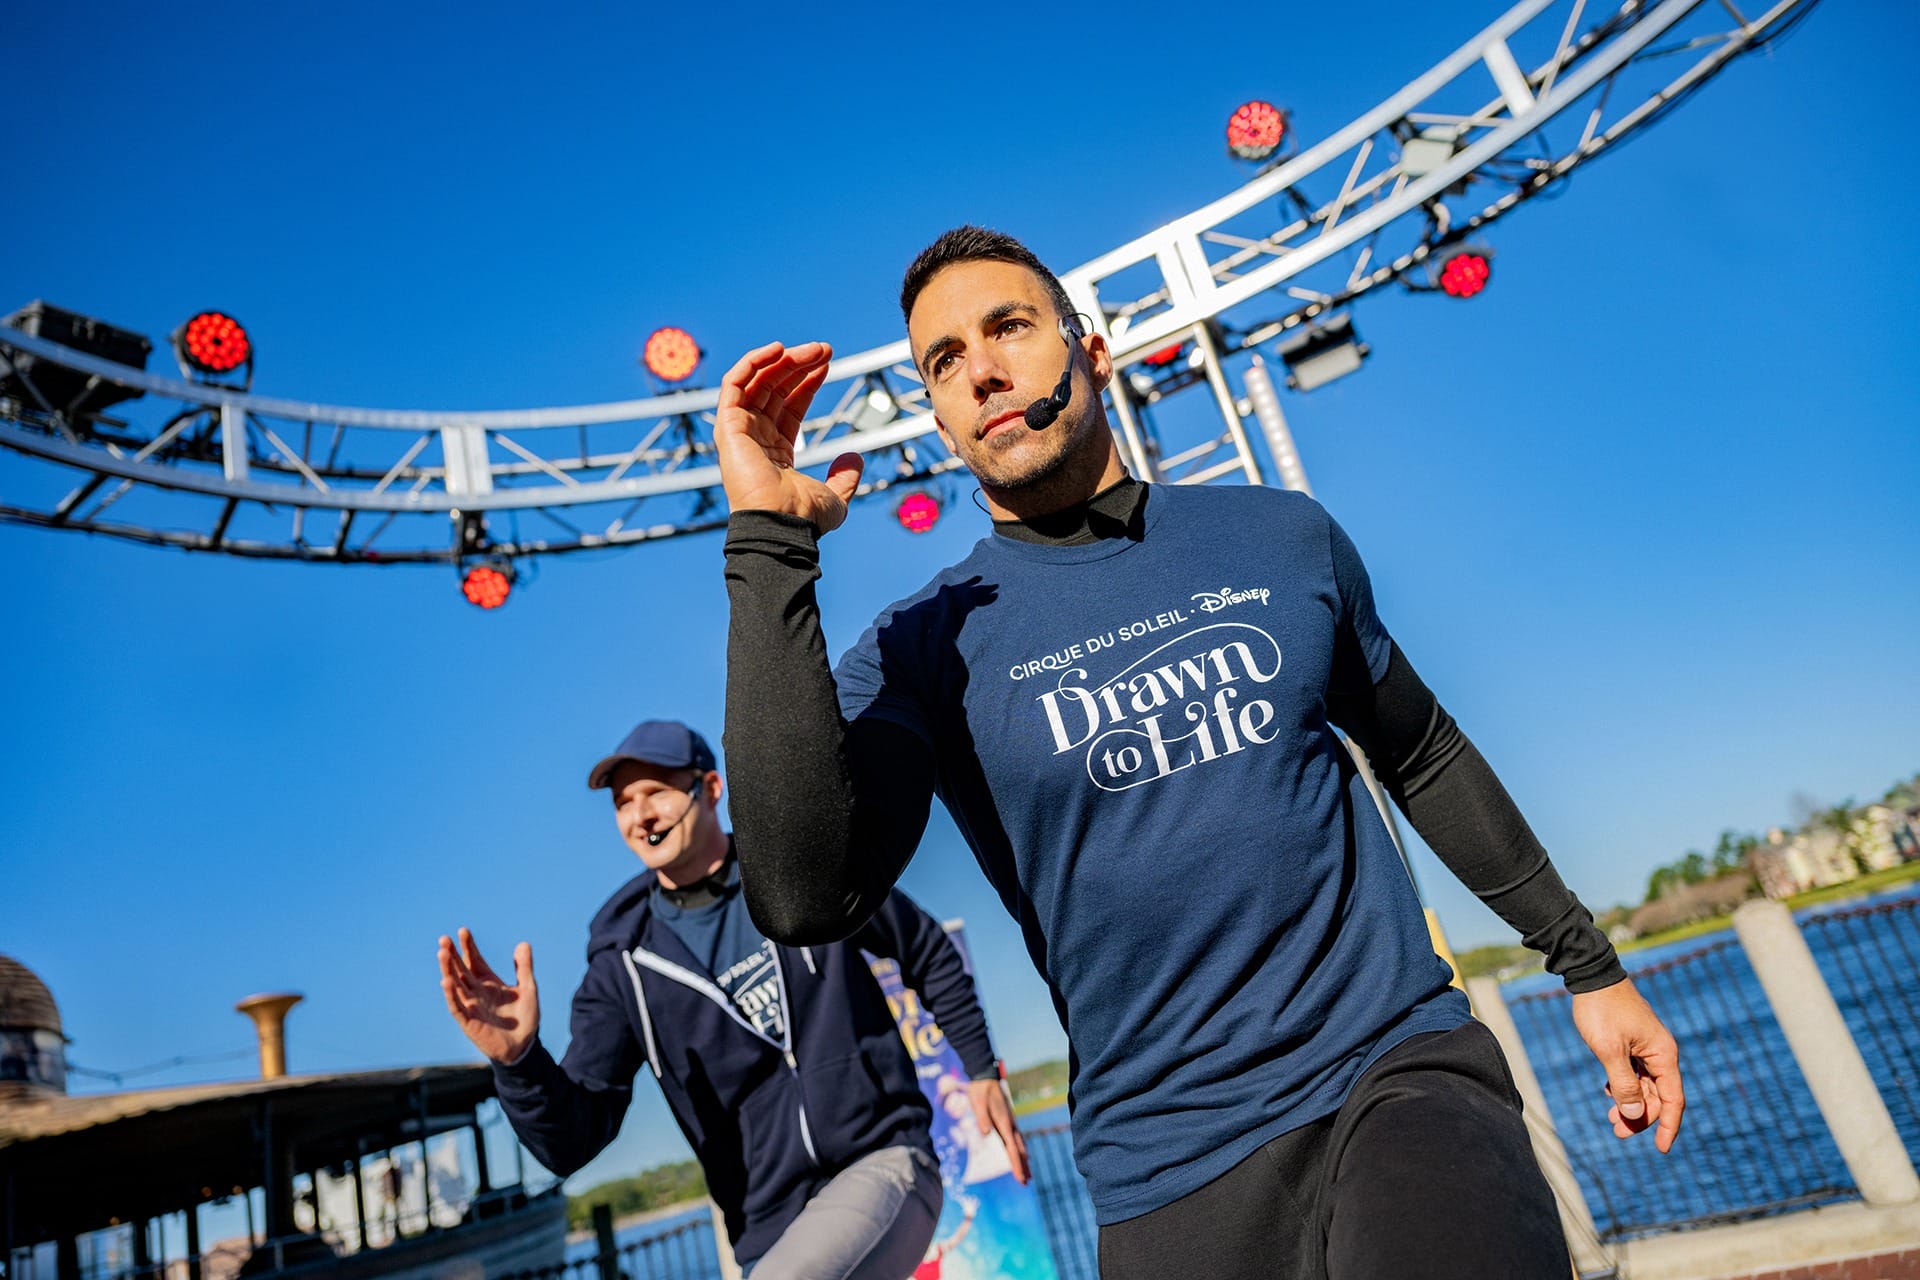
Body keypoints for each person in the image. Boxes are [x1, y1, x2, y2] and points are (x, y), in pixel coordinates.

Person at [711, 226, 1686, 1278]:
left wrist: (1588, 965)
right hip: (1165, 1170)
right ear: (940, 415)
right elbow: (804, 895)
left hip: (1394, 1070)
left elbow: (1425, 751)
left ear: (1091, 354)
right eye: (944, 360)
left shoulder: (1279, 536)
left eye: (1009, 327)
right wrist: (770, 542)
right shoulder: (920, 642)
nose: (983, 367)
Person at [436, 719, 1027, 1278]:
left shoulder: (796, 871)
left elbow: (922, 946)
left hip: (885, 1160)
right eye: (621, 803)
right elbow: (571, 1141)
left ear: (711, 788)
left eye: (655, 792)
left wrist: (980, 1069)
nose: (639, 815)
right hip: (765, 1235)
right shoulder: (622, 966)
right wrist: (518, 1061)